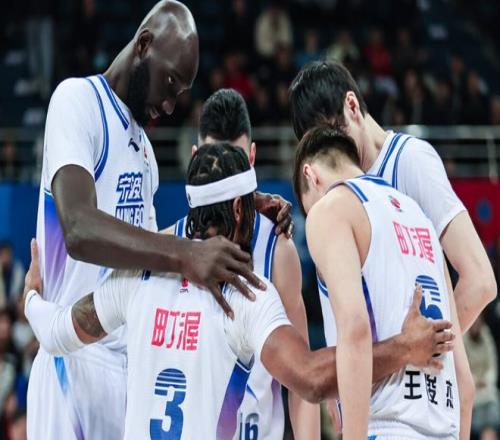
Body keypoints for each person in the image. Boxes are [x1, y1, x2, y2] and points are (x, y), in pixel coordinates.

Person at [25, 143, 455, 439]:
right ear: (237, 209)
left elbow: (58, 333)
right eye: (251, 204)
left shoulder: (136, 278)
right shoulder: (245, 294)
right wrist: (403, 348)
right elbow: (310, 379)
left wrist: (30, 299)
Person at [31, 1, 291, 438]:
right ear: (144, 45)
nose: (171, 105)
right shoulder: (77, 101)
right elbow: (78, 228)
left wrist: (238, 200)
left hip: (125, 366)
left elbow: (151, 248)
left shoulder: (146, 154)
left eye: (181, 92)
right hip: (69, 359)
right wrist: (186, 253)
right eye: (170, 81)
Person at [289, 61, 496, 334]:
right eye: (318, 144)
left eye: (333, 135)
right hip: (361, 358)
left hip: (398, 360)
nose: (331, 151)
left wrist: (429, 349)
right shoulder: (330, 187)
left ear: (352, 106)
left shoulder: (410, 160)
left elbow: (480, 280)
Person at [293, 126, 472, 439]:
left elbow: (356, 329)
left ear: (311, 175)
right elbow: (464, 382)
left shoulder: (330, 209)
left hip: (385, 426)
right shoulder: (421, 219)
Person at [166, 88, 319, 439]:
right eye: (215, 162)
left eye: (234, 164)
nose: (224, 177)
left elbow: (301, 381)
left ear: (251, 160)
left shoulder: (276, 247)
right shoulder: (167, 246)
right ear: (196, 160)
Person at [464, 315, 500, 440]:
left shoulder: (486, 336)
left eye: (478, 323)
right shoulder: (463, 339)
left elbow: (492, 364)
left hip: (487, 388)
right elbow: (463, 368)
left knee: (492, 411)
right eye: (473, 323)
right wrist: (475, 382)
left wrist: (486, 380)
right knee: (478, 419)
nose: (475, 326)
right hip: (472, 389)